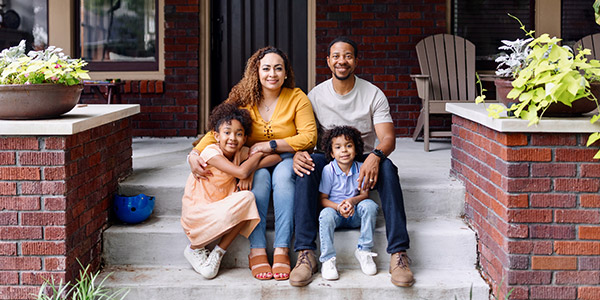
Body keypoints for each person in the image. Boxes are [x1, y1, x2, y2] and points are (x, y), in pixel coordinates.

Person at [290, 37, 414, 287]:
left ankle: (398, 254)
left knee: (388, 169)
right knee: (307, 167)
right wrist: (298, 152)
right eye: (336, 56)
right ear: (328, 61)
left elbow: (388, 138)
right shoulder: (316, 95)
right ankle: (305, 254)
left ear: (356, 61)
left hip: (366, 155)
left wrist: (376, 157)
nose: (341, 61)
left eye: (347, 56)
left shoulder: (372, 94)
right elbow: (305, 134)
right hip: (330, 156)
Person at [190, 47, 317, 281]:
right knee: (258, 182)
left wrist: (270, 145)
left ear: (286, 73)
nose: (272, 74)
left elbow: (309, 136)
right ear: (256, 71)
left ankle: (281, 249)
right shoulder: (244, 97)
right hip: (251, 159)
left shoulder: (297, 97)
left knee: (283, 179)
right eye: (266, 68)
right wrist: (195, 153)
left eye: (278, 68)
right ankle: (257, 249)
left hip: (283, 156)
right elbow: (218, 127)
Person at [181, 102, 280, 279]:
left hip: (220, 209)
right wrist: (251, 163)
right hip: (198, 213)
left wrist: (255, 159)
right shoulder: (211, 152)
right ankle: (194, 248)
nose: (232, 138)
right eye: (227, 133)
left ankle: (217, 253)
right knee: (247, 198)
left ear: (244, 138)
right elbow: (241, 172)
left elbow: (276, 157)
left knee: (247, 201)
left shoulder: (239, 153)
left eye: (239, 134)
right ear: (216, 136)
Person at [317, 126, 379, 281]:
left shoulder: (361, 168)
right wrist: (338, 207)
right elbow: (322, 199)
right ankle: (328, 259)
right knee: (325, 215)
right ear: (331, 153)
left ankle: (364, 251)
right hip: (336, 214)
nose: (344, 150)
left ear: (356, 149)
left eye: (348, 146)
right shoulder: (328, 170)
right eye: (338, 147)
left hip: (354, 213)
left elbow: (365, 194)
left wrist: (352, 201)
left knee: (370, 205)